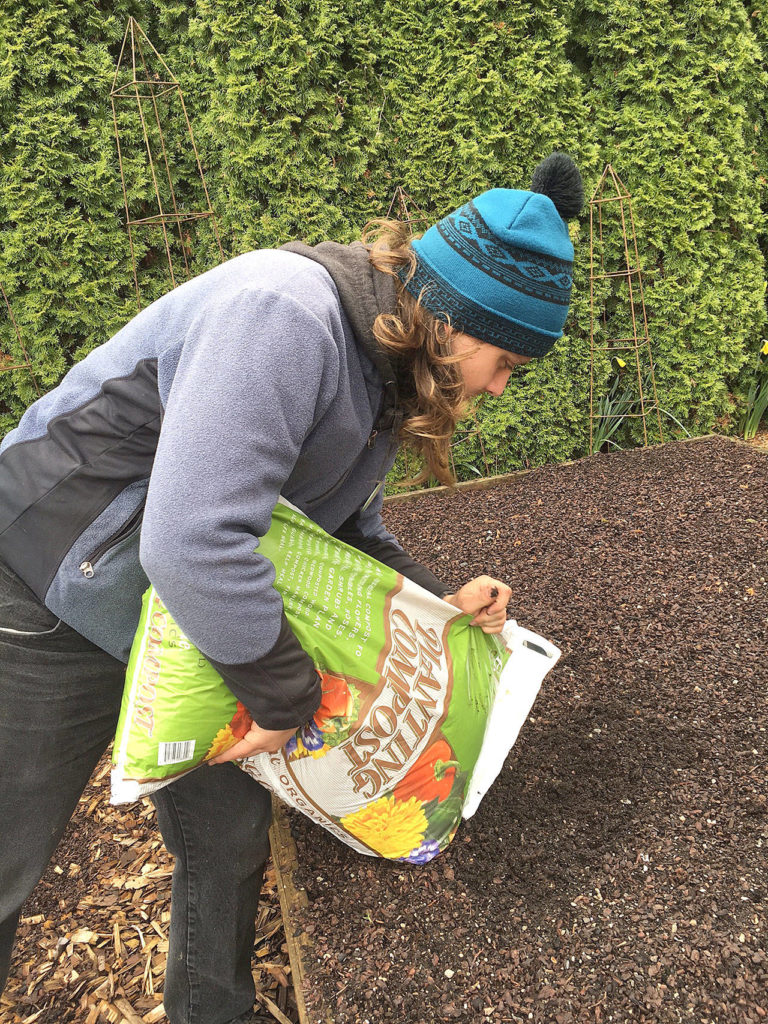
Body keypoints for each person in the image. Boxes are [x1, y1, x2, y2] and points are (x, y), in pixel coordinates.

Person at [0, 152, 583, 1024]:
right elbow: (194, 537)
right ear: (455, 319)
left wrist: (438, 602)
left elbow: (341, 528)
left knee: (228, 835)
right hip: (56, 583)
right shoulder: (285, 314)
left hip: (185, 613)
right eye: (505, 362)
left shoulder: (390, 361)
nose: (498, 387)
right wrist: (282, 692)